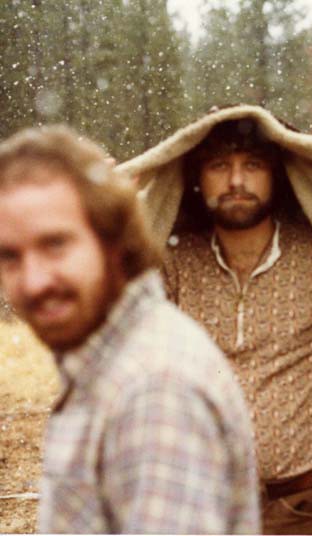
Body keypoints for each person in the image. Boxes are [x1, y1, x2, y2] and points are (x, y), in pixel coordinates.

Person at [117, 105, 312, 535]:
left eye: (252, 165)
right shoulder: (175, 262)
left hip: (302, 509)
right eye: (219, 166)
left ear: (277, 175)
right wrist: (102, 229)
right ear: (196, 178)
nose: (236, 181)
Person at [0, 126, 261, 534]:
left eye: (55, 245)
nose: (34, 281)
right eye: (9, 256)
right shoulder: (108, 362)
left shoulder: (153, 393)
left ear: (114, 242)